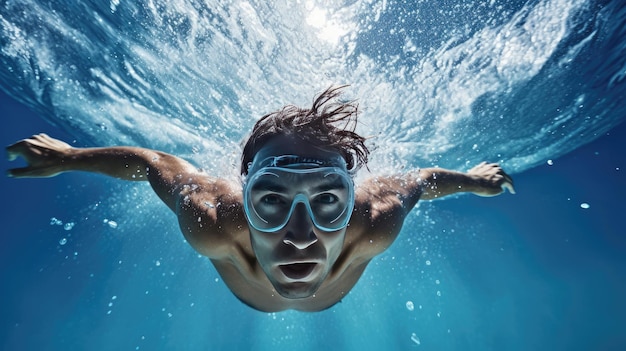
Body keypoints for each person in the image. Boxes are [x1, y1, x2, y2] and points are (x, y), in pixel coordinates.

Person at [6, 86, 514, 312]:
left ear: (352, 196)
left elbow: (421, 180)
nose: (299, 235)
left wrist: (471, 179)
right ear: (243, 195)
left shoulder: (376, 217)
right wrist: (72, 156)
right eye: (271, 199)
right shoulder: (211, 216)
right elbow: (153, 163)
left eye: (327, 201)